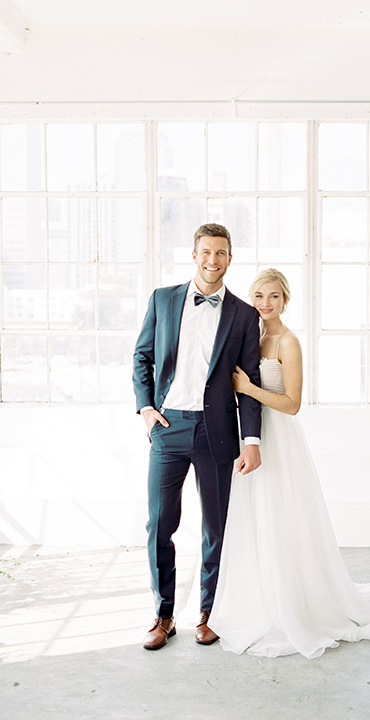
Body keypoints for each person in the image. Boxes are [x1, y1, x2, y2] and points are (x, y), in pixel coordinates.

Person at [209, 268, 370, 659]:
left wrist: (248, 388)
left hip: (277, 437)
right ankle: (259, 597)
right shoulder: (251, 334)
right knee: (255, 519)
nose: (265, 303)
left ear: (285, 300)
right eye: (259, 295)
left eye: (273, 297)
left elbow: (292, 404)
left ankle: (293, 602)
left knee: (283, 518)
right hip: (251, 436)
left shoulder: (288, 342)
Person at [133, 223, 262, 651]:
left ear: (230, 258)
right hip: (168, 428)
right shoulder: (163, 299)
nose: (212, 260)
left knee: (217, 527)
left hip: (217, 432)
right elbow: (143, 355)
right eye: (205, 252)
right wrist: (147, 407)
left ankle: (209, 612)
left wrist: (252, 440)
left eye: (220, 253)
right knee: (159, 525)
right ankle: (163, 615)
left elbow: (249, 381)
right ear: (194, 255)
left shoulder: (244, 315)